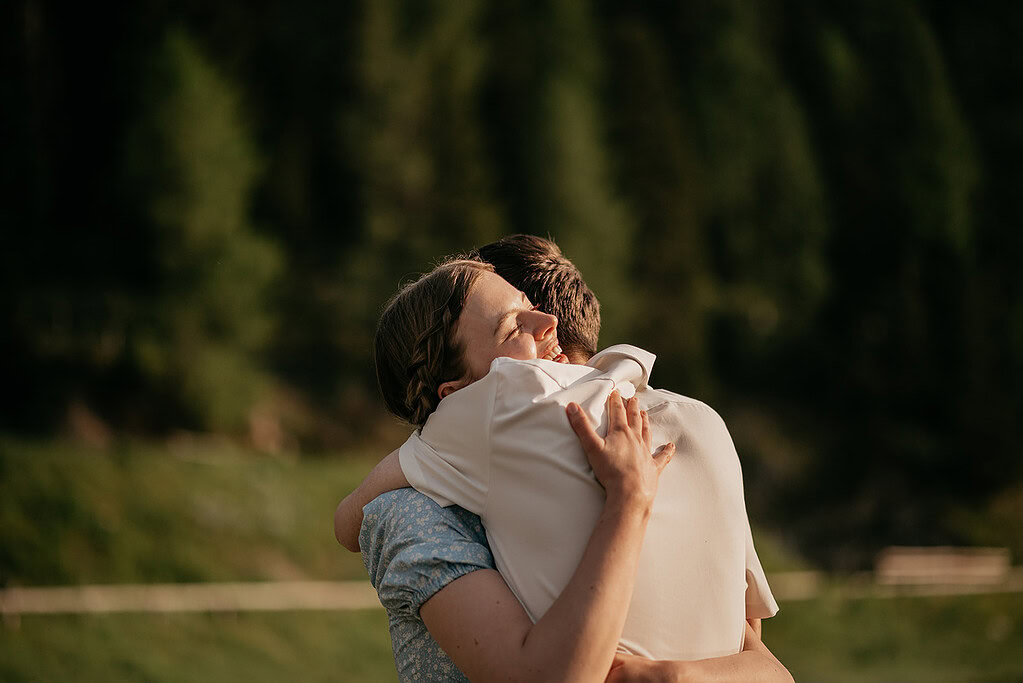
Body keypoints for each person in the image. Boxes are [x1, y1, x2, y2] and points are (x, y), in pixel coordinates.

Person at [337, 236, 791, 680]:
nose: (545, 321)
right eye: (514, 325)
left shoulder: (471, 441)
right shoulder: (700, 421)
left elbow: (349, 520)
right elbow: (764, 664)